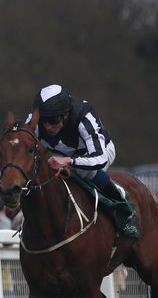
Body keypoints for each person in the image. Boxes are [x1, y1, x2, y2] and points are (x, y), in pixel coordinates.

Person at [29, 84, 138, 238]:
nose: (48, 127)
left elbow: (100, 158)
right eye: (43, 120)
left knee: (84, 172)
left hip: (99, 152)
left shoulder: (84, 116)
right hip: (62, 155)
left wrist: (69, 161)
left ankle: (121, 206)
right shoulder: (35, 121)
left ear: (66, 114)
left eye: (53, 120)